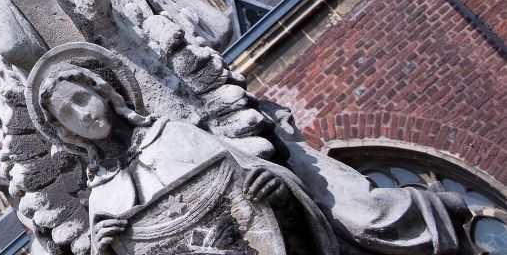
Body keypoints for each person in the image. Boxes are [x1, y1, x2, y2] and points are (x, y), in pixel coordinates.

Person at [26, 45, 338, 255]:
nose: (82, 116)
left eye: (81, 100)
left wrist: (278, 195)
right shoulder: (101, 199)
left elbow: (264, 203)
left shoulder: (176, 137)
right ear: (65, 131)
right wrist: (106, 251)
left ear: (104, 92)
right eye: (67, 114)